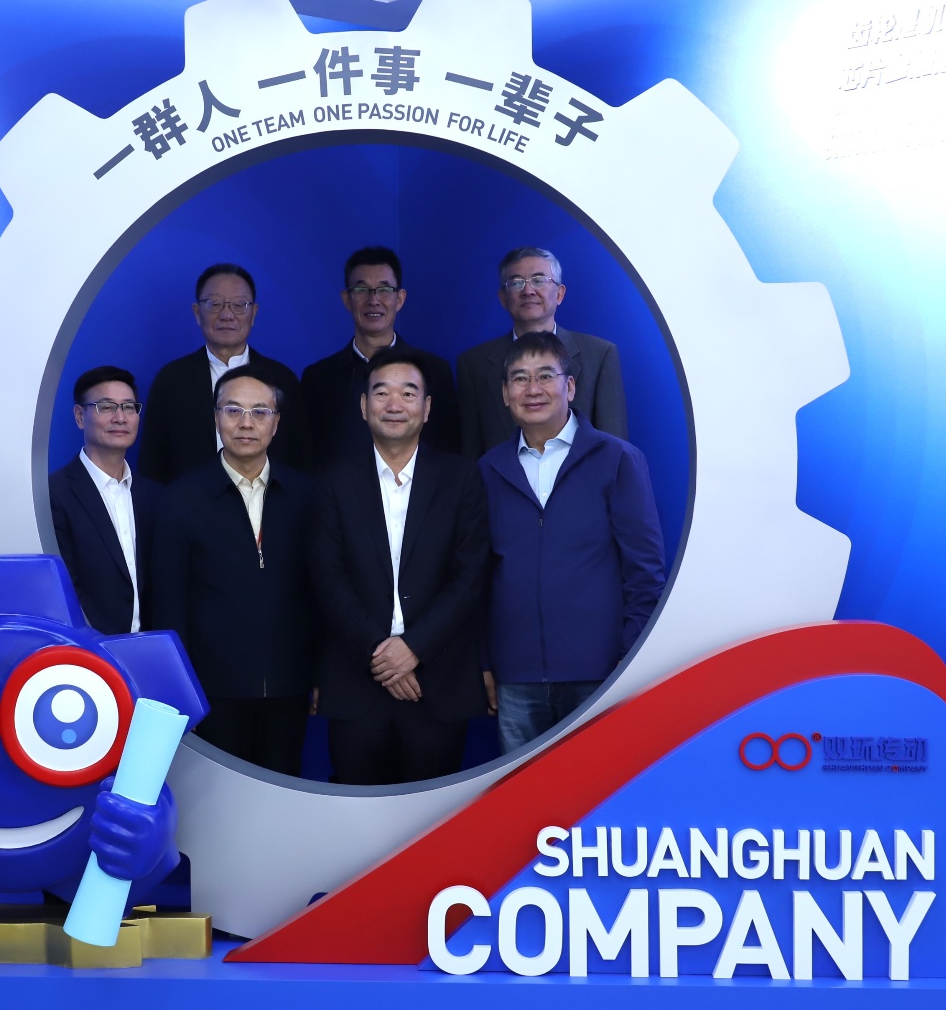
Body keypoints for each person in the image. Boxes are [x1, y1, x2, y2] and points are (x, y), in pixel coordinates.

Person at [309, 348, 490, 785]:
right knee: (356, 811)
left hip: (437, 681)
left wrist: (414, 648)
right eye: (381, 392)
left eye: (408, 393)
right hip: (357, 681)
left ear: (427, 409)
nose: (394, 404)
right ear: (363, 406)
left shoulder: (462, 478)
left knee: (437, 814)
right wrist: (381, 653)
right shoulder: (333, 480)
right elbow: (327, 577)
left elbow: (470, 577)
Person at [479, 331, 665, 754]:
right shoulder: (488, 470)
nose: (533, 389)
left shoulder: (617, 459)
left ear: (571, 386)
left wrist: (630, 659)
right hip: (516, 676)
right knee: (522, 790)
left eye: (546, 375)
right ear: (505, 393)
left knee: (600, 785)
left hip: (601, 672)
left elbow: (645, 571)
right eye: (520, 378)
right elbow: (478, 576)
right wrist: (485, 662)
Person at [149, 366, 315, 775]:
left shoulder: (307, 496)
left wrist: (317, 673)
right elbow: (168, 601)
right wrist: (180, 685)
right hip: (212, 690)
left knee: (283, 791)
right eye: (233, 410)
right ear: (216, 418)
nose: (246, 423)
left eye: (260, 412)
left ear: (276, 423)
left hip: (289, 686)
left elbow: (318, 591)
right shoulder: (182, 499)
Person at [140, 263, 311, 483]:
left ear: (254, 313)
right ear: (197, 312)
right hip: (191, 503)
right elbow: (152, 468)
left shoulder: (282, 379)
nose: (227, 315)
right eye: (215, 304)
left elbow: (300, 461)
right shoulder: (171, 380)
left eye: (239, 305)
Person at [457, 246, 629, 457]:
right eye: (517, 282)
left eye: (539, 280)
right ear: (503, 298)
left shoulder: (600, 355)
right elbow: (471, 456)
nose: (528, 291)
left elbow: (615, 450)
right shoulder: (473, 364)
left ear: (559, 293)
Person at [301, 246, 460, 466]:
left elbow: (450, 453)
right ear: (347, 299)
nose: (373, 300)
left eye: (384, 289)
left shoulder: (434, 371)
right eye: (361, 290)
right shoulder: (319, 378)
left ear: (400, 298)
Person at [48, 366, 161, 635]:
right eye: (107, 407)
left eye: (129, 407)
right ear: (80, 416)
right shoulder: (55, 493)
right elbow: (62, 590)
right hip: (86, 651)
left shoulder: (154, 496)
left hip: (149, 647)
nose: (120, 418)